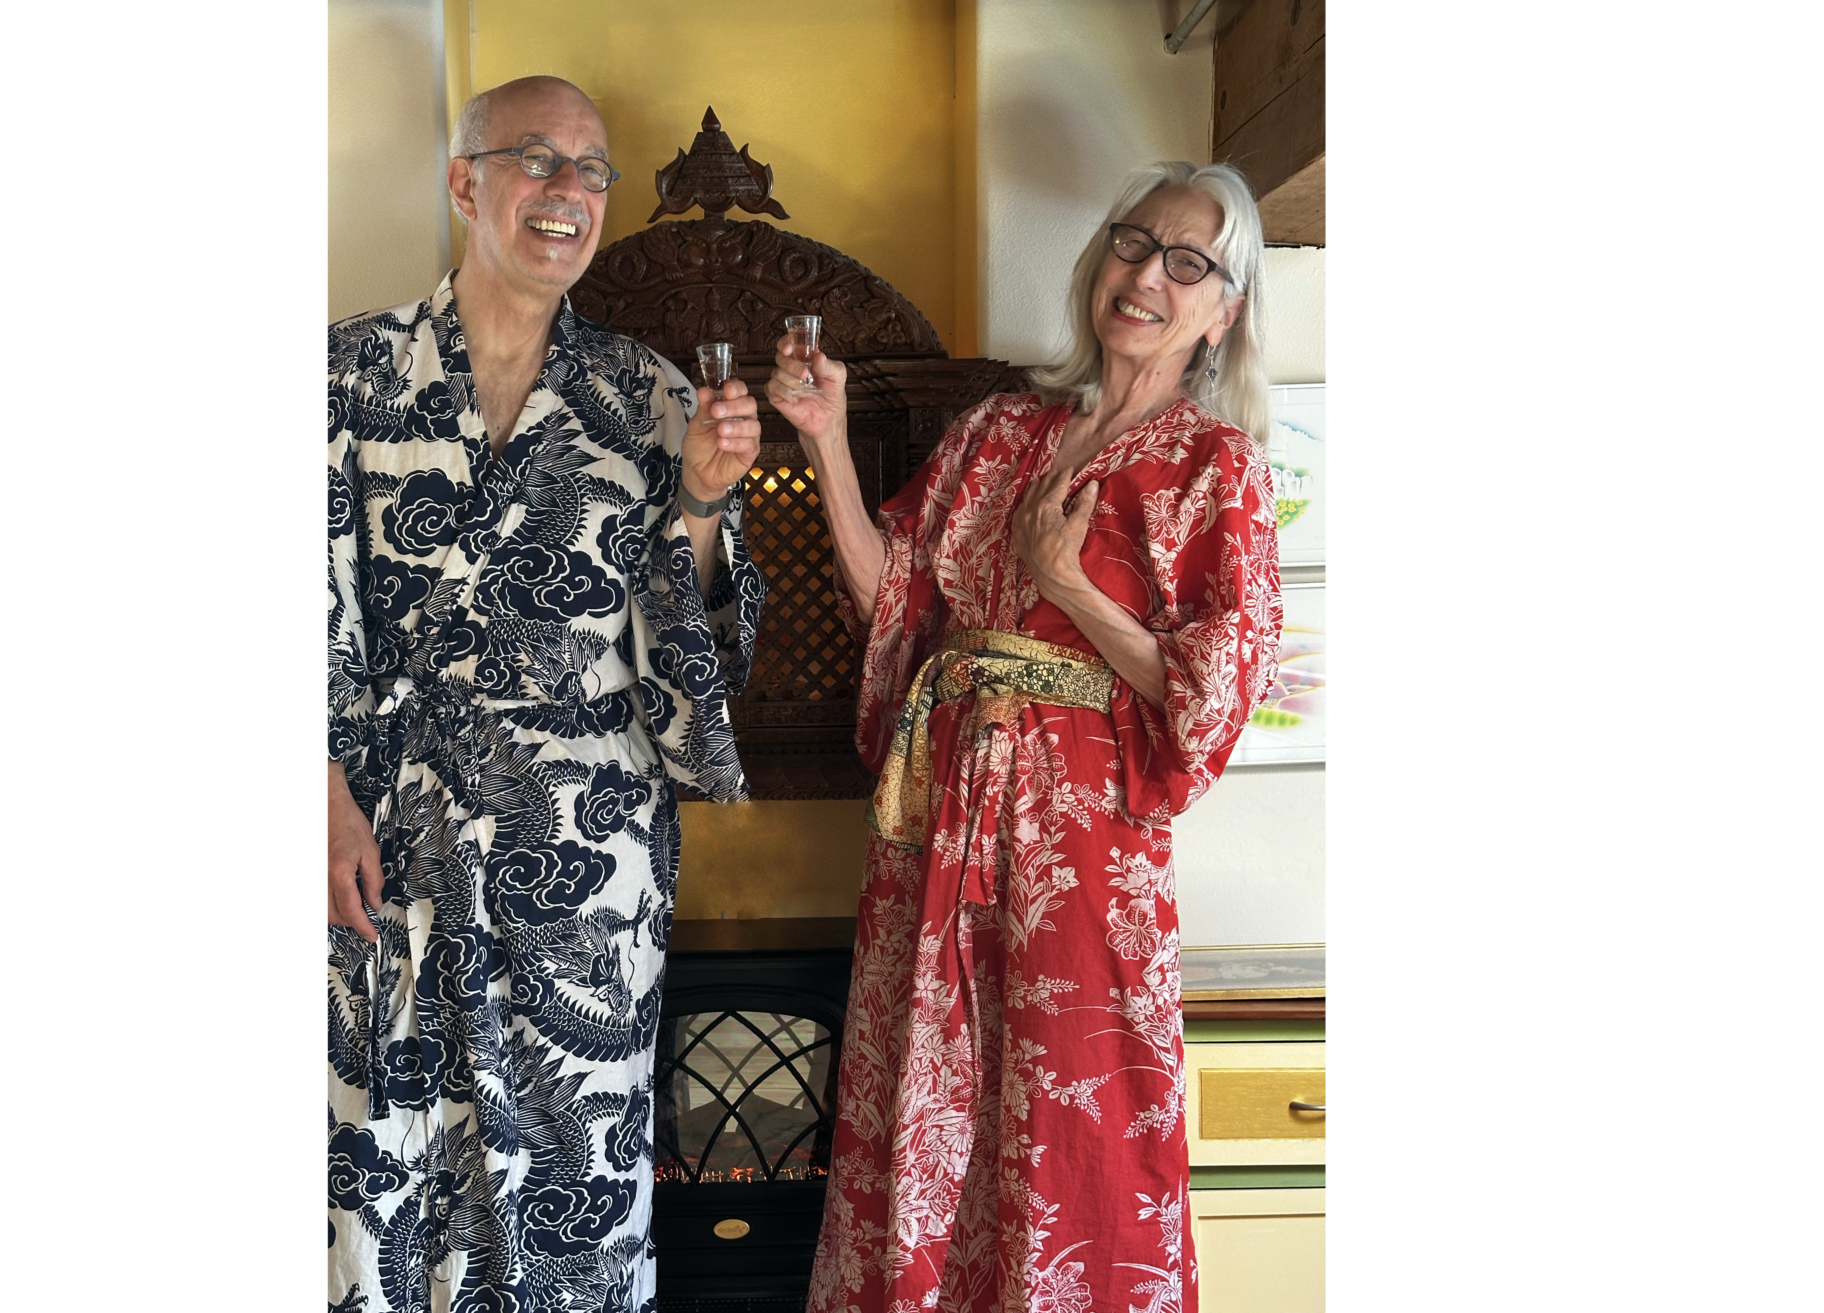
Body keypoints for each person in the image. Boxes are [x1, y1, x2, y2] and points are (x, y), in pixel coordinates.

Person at [768, 162, 1282, 1313]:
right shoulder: (1001, 430)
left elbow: (1215, 698)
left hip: (1082, 859)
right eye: (1133, 242)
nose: (1147, 273)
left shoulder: (1216, 467)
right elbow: (896, 603)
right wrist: (826, 437)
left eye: (1188, 261)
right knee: (927, 1109)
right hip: (938, 836)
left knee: (1078, 1119)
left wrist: (1072, 589)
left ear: (1226, 306)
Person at [326, 75, 765, 1313]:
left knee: (573, 1167)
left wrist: (700, 501)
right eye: (535, 158)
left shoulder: (650, 396)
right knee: (381, 1166)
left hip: (584, 862)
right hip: (374, 843)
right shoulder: (347, 376)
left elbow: (690, 659)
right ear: (465, 182)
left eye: (589, 170)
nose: (567, 191)